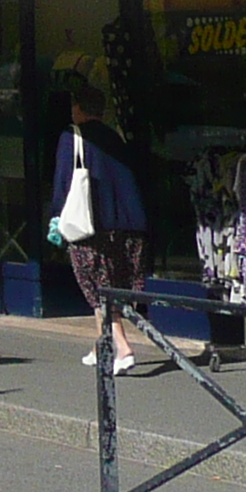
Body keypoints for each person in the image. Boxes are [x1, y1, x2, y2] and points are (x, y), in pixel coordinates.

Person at [47, 79, 153, 377]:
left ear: (77, 108)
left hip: (92, 225)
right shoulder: (116, 137)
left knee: (97, 289)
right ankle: (100, 346)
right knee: (114, 287)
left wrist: (56, 215)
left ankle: (122, 347)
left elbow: (63, 182)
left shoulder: (72, 136)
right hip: (130, 224)